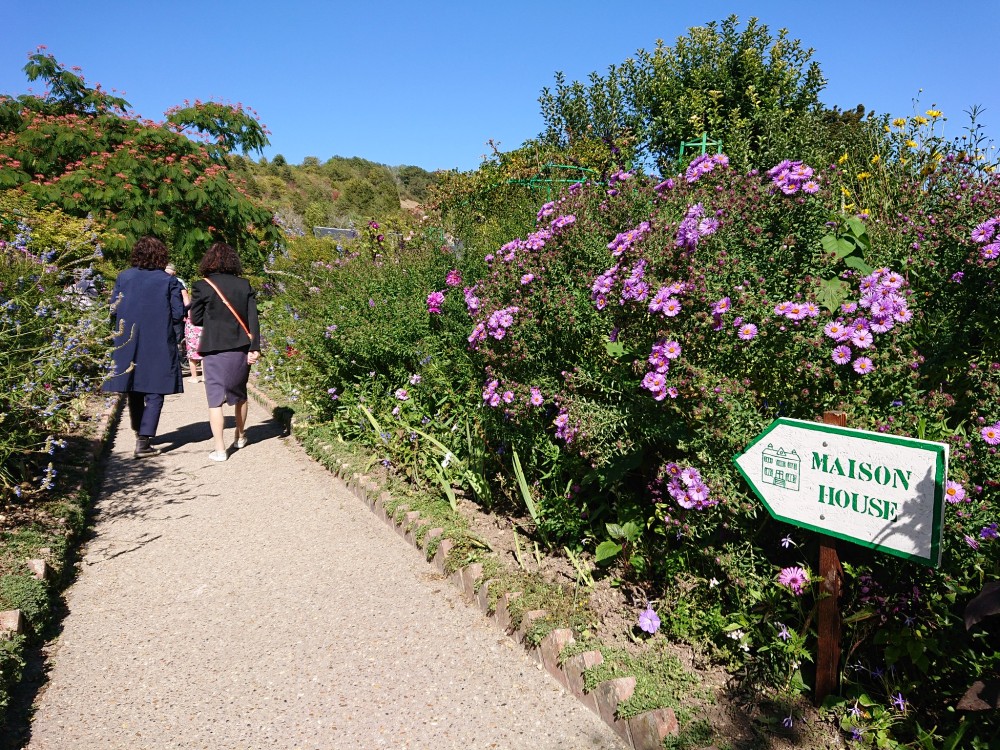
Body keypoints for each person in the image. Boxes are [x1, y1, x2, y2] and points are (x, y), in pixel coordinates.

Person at [102, 236, 185, 458]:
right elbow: (178, 313)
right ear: (161, 255)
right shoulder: (168, 281)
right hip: (158, 338)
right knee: (155, 388)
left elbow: (113, 308)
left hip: (128, 338)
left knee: (134, 385)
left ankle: (140, 431)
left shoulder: (124, 277)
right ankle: (144, 440)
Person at [189, 242, 261, 462]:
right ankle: (240, 436)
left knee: (215, 401)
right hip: (240, 348)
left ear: (208, 261)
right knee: (240, 394)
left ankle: (220, 450)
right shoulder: (244, 285)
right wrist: (255, 347)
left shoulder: (202, 285)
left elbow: (196, 318)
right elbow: (253, 319)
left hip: (214, 348)